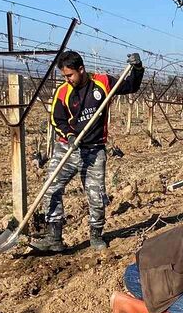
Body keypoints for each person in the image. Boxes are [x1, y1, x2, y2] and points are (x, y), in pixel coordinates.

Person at [31, 51, 144, 252]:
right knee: (51, 188)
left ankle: (96, 235)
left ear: (81, 69)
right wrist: (69, 135)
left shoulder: (103, 82)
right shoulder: (62, 92)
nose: (67, 79)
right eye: (64, 76)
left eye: (70, 75)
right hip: (67, 148)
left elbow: (131, 86)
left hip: (94, 150)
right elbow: (57, 120)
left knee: (96, 195)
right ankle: (54, 236)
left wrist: (137, 69)